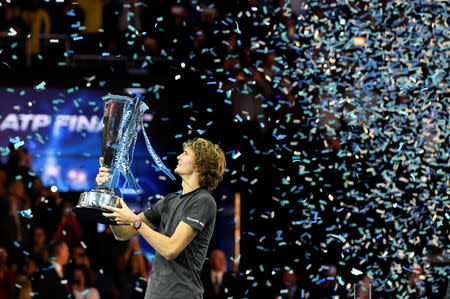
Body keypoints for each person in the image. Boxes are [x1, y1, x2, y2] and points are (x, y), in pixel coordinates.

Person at [97, 138, 226, 299]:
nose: (178, 157)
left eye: (185, 154)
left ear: (199, 166)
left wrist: (135, 221)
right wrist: (108, 190)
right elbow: (122, 233)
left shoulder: (203, 200)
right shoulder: (170, 200)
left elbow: (171, 249)